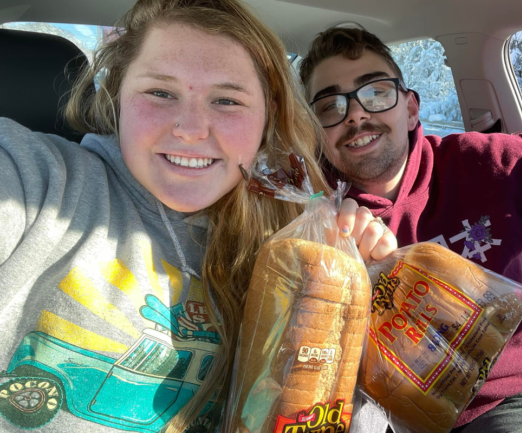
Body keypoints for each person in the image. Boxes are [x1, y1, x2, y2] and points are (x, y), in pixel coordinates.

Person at [0, 2, 397, 433]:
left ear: (267, 120)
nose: (190, 128)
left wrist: (360, 293)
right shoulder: (39, 183)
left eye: (227, 100)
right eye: (161, 93)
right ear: (117, 98)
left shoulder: (284, 243)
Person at [299, 27, 522, 432]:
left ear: (411, 109)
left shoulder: (490, 164)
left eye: (376, 93)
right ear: (314, 129)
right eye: (329, 106)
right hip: (486, 412)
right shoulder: (314, 223)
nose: (357, 114)